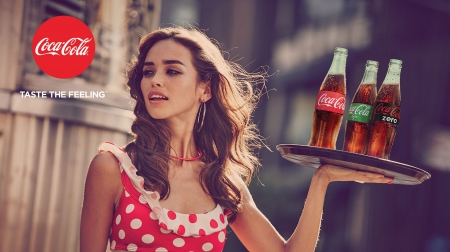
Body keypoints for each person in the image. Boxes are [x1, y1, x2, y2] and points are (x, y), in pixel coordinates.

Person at [80, 26, 393, 252]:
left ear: (206, 89)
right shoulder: (114, 168)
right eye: (149, 72)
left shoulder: (221, 182)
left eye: (172, 71)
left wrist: (322, 178)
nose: (155, 80)